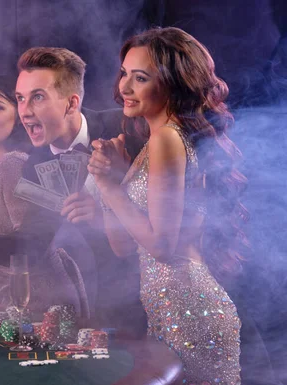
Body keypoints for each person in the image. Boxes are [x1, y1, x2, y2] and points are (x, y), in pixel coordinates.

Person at [0, 47, 146, 329]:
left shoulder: (128, 126)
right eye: (20, 99)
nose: (24, 112)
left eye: (37, 98)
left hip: (156, 292)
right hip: (99, 314)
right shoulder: (33, 165)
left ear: (71, 104)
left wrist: (106, 210)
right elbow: (32, 244)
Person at [88, 27, 245, 383]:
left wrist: (111, 186)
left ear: (172, 84)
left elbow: (161, 246)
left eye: (140, 78)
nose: (124, 87)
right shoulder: (153, 141)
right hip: (167, 316)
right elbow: (122, 245)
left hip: (192, 316)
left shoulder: (168, 139)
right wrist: (111, 181)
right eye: (125, 73)